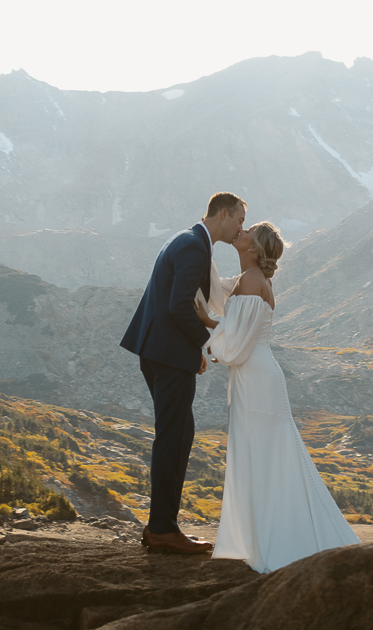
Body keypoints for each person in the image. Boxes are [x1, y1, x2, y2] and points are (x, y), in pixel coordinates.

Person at [203, 221, 362, 573]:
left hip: (255, 378)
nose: (240, 233)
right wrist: (206, 242)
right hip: (261, 376)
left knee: (261, 455)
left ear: (254, 249)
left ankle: (272, 542)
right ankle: (270, 535)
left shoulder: (251, 281)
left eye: (247, 232)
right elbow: (218, 292)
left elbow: (238, 343)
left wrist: (208, 323)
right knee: (267, 455)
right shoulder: (253, 279)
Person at [118, 190, 246, 553]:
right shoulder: (194, 246)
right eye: (239, 219)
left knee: (179, 433)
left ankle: (163, 523)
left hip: (156, 349)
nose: (241, 227)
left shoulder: (187, 239)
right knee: (174, 437)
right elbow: (178, 305)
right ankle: (161, 528)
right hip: (169, 354)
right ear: (223, 214)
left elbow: (182, 301)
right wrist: (204, 344)